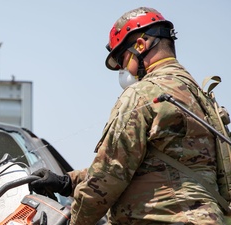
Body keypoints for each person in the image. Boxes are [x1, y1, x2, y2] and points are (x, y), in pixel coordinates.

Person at [30, 6, 228, 225]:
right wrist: (67, 182)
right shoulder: (200, 97)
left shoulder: (142, 93)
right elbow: (151, 165)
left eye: (123, 60)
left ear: (141, 46)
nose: (124, 69)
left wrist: (76, 221)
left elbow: (109, 174)